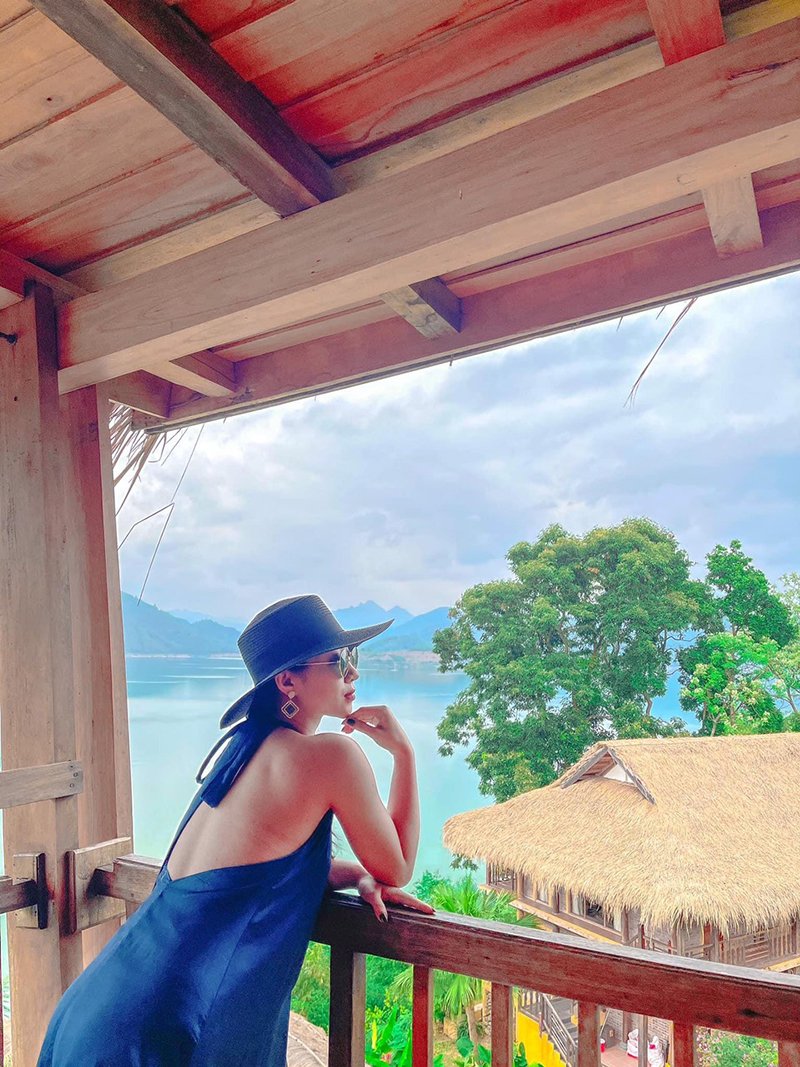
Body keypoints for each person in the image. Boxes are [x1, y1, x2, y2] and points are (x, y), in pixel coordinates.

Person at [38, 595, 433, 1066]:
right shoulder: (332, 756)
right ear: (287, 680)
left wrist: (356, 875)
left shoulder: (241, 750)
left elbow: (257, 871)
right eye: (339, 660)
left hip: (104, 1007)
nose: (353, 673)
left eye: (353, 657)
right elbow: (398, 866)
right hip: (164, 1027)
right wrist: (404, 754)